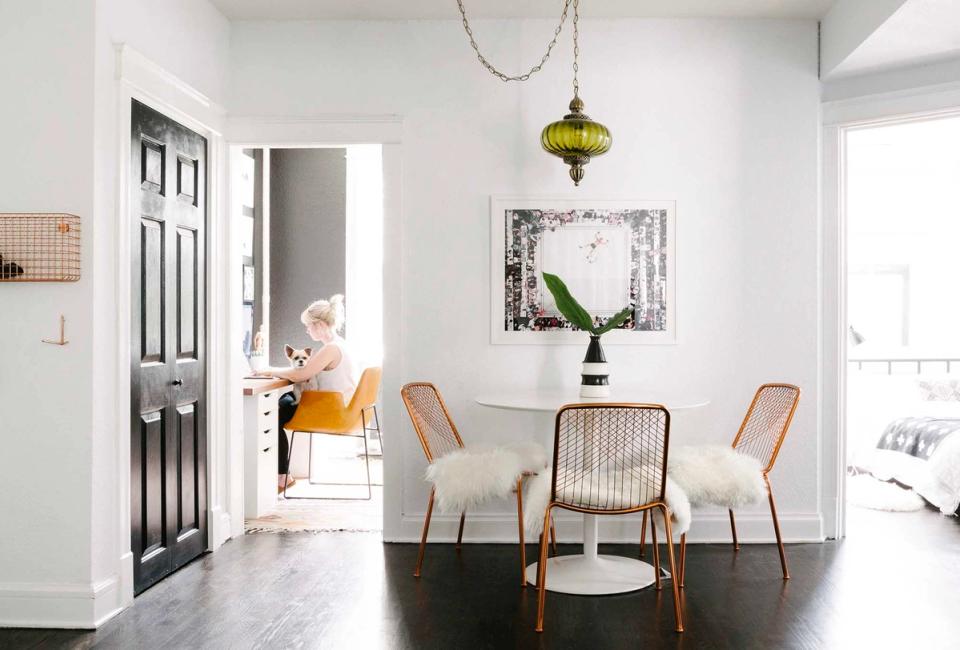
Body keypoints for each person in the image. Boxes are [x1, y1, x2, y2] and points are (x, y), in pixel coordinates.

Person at [256, 294, 358, 490]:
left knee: (271, 416)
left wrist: (268, 370)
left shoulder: (331, 349)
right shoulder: (341, 345)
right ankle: (282, 474)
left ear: (319, 325)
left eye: (308, 326)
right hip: (343, 409)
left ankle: (282, 476)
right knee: (284, 402)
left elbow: (301, 374)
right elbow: (303, 372)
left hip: (331, 411)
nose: (307, 330)